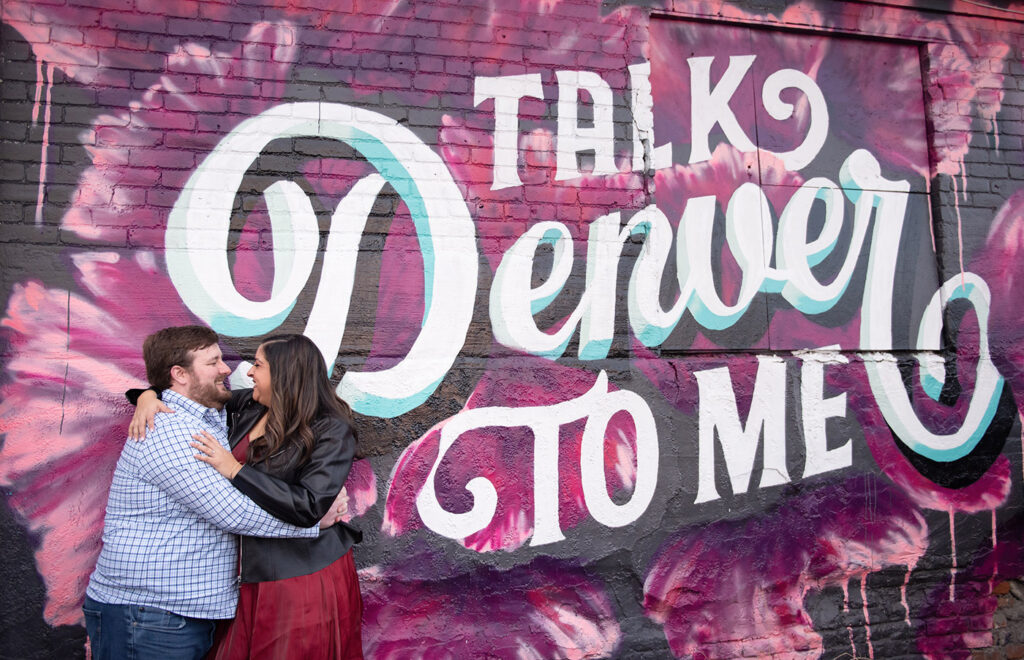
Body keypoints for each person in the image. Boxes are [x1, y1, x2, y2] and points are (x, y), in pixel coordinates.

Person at [84, 326, 327, 660]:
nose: (227, 370)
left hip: (169, 614)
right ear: (180, 375)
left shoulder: (210, 418)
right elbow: (233, 513)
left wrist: (146, 394)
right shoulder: (168, 432)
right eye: (214, 362)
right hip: (147, 616)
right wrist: (317, 522)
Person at [130, 333, 363, 659]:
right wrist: (147, 396)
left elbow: (310, 505)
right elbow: (192, 391)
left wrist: (236, 470)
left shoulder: (331, 429)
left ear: (285, 374)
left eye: (258, 365)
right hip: (247, 575)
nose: (248, 372)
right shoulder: (250, 406)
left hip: (301, 577)